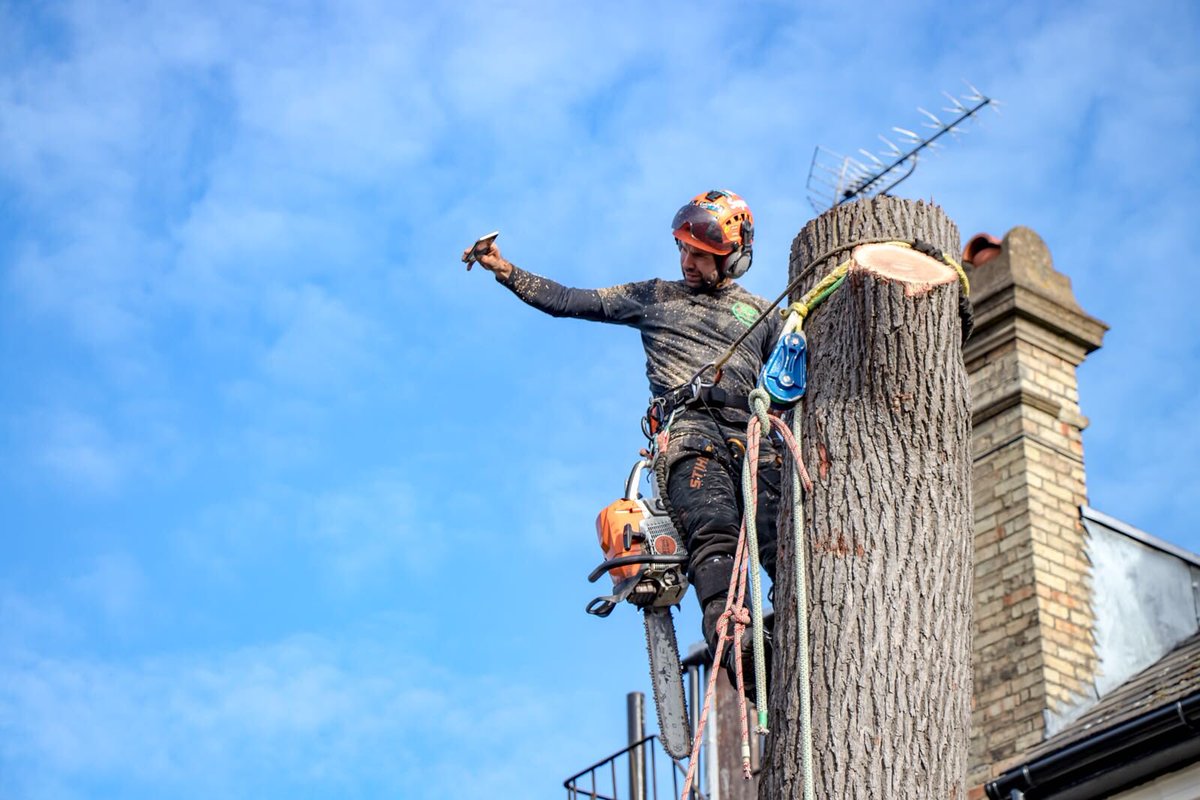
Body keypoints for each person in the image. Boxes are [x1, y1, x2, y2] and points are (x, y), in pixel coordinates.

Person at [466, 190, 782, 673]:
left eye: (701, 255)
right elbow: (571, 300)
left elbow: (804, 365)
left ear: (732, 257)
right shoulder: (657, 296)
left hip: (753, 435)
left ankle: (800, 625)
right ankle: (730, 633)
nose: (688, 262)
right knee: (713, 529)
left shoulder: (763, 314)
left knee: (780, 533)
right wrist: (505, 270)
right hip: (691, 434)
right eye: (684, 249)